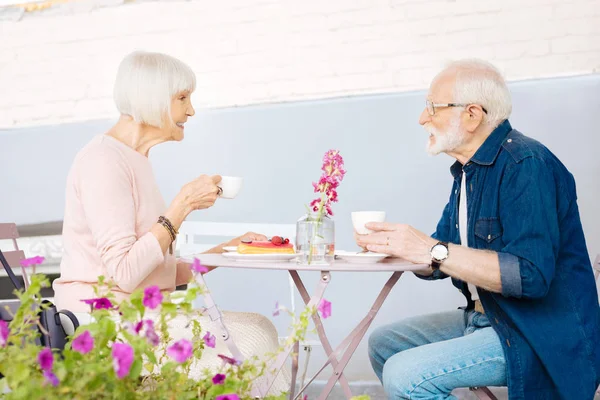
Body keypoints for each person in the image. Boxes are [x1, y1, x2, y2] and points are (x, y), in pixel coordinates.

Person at [357, 59, 600, 399]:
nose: (422, 118)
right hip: (488, 318)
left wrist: (430, 250)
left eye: (432, 107)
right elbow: (441, 259)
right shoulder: (467, 172)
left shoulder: (526, 165)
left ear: (472, 115)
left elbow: (530, 276)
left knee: (404, 375)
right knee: (385, 344)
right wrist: (400, 247)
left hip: (538, 332)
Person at [53, 50, 289, 393]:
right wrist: (182, 205)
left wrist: (225, 250)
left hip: (140, 313)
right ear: (151, 100)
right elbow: (125, 272)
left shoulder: (135, 159)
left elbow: (154, 270)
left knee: (261, 327)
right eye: (182, 98)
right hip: (102, 325)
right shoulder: (102, 161)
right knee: (249, 343)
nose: (191, 110)